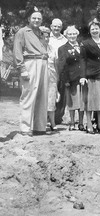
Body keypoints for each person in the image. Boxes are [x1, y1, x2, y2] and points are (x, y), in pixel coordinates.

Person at [13, 8, 49, 136]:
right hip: (30, 63)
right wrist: (22, 69)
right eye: (34, 18)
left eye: (39, 18)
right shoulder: (22, 32)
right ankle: (25, 127)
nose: (36, 20)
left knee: (42, 96)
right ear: (29, 19)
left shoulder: (42, 33)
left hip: (43, 62)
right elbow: (17, 51)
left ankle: (40, 127)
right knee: (28, 95)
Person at [80, 18, 100, 134]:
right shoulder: (85, 43)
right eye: (92, 29)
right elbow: (82, 60)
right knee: (91, 102)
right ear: (89, 31)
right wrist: (83, 76)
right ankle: (89, 124)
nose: (95, 31)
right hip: (92, 76)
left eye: (96, 28)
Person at [58, 26, 84, 131]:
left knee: (82, 101)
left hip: (81, 78)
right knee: (72, 102)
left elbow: (84, 62)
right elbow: (62, 66)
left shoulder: (82, 47)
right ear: (66, 35)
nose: (72, 36)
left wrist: (84, 76)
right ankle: (72, 122)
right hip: (71, 79)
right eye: (70, 34)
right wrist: (66, 80)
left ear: (77, 35)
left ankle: (81, 123)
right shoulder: (62, 49)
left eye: (74, 34)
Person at [49, 19, 68, 125]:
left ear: (61, 28)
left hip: (61, 69)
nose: (56, 28)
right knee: (49, 93)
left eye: (59, 27)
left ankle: (58, 117)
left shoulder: (64, 40)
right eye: (54, 26)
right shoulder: (46, 37)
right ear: (51, 26)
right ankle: (47, 116)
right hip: (49, 68)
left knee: (61, 93)